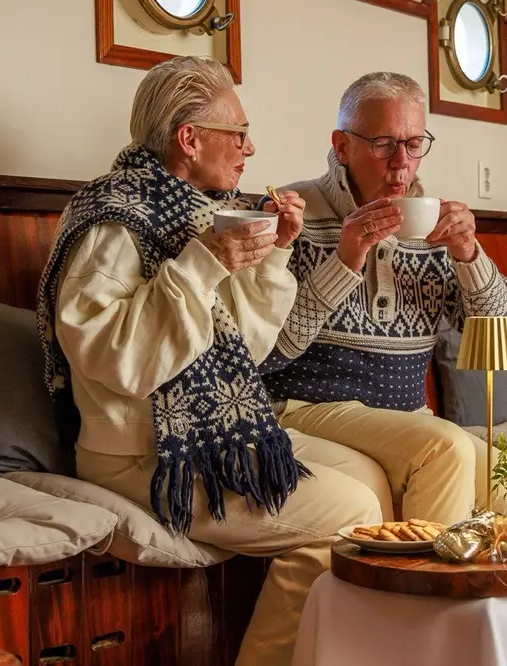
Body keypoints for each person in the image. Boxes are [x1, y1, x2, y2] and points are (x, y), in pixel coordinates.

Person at [35, 56, 382, 666]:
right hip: (141, 453)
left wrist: (276, 253)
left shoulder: (201, 213)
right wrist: (203, 262)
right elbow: (121, 363)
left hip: (207, 433)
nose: (251, 147)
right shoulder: (111, 220)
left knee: (370, 478)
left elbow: (248, 348)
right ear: (189, 139)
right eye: (238, 132)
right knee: (354, 510)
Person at [260, 71, 507, 526]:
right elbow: (267, 353)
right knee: (448, 446)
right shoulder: (293, 213)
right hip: (307, 409)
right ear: (342, 146)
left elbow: (497, 323)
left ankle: (482, 598)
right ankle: (420, 595)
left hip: (404, 417)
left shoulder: (432, 225)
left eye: (414, 143)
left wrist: (468, 253)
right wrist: (346, 259)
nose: (401, 161)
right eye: (384, 143)